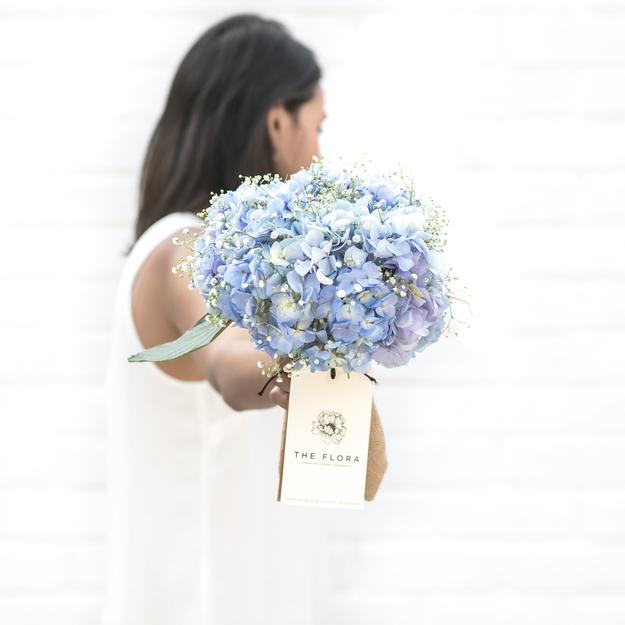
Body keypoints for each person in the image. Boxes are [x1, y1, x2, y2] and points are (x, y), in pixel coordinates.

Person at [103, 15, 331, 625]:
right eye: (318, 127)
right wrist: (323, 336)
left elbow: (320, 472)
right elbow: (230, 363)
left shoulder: (248, 267)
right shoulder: (184, 250)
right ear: (277, 122)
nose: (320, 155)